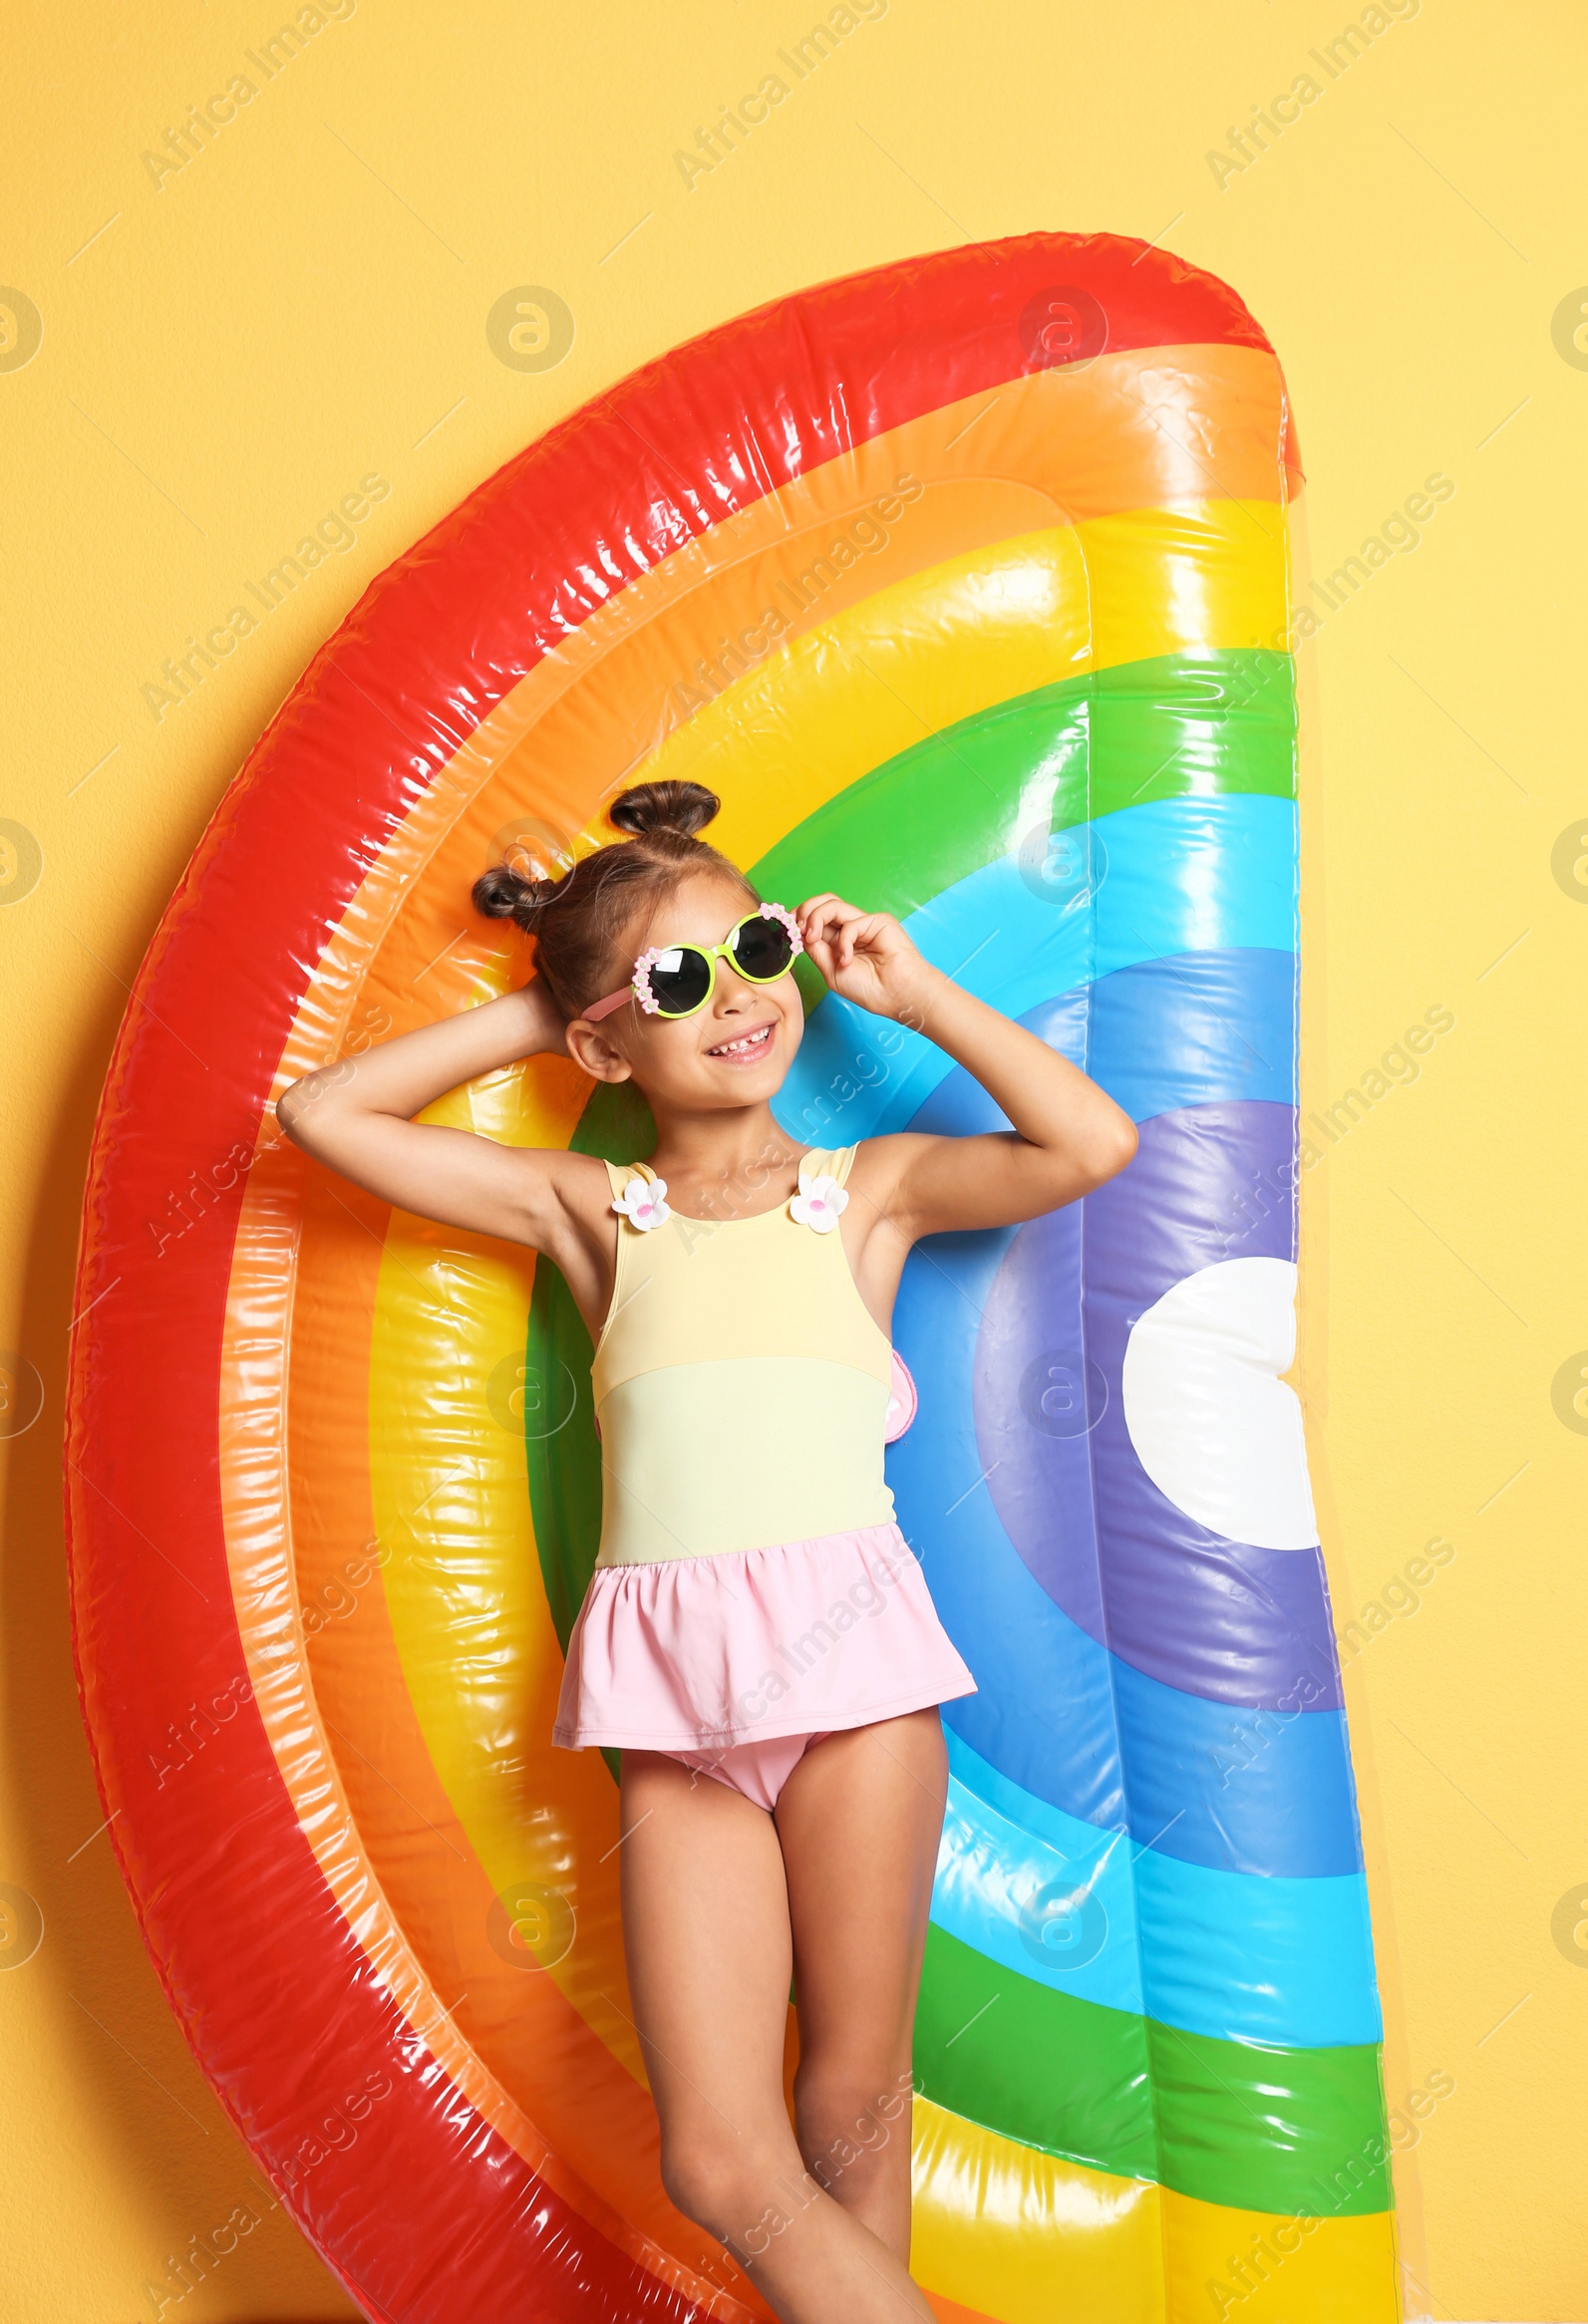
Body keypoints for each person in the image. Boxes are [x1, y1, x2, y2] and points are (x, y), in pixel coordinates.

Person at [276, 777, 1137, 2323]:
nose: (737, 995)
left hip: (853, 1689)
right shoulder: (595, 1213)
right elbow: (320, 1117)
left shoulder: (859, 1196)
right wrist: (549, 1015)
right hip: (676, 1723)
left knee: (849, 2111)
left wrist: (913, 989)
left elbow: (1087, 1140)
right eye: (679, 984)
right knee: (724, 2165)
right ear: (613, 1044)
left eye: (749, 950)